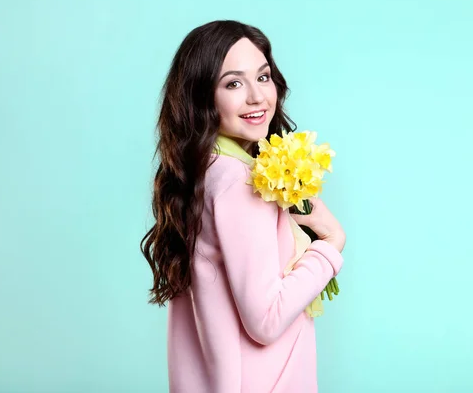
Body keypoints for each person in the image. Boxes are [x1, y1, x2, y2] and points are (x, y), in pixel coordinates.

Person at [141, 20, 346, 393]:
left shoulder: (203, 170)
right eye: (233, 83)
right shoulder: (240, 183)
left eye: (263, 77)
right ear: (203, 96)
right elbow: (265, 321)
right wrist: (330, 243)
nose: (257, 97)